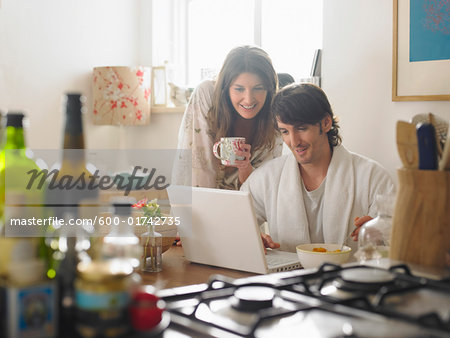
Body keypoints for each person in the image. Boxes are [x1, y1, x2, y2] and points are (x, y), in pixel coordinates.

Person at [241, 83, 394, 253]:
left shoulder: (373, 177)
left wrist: (380, 233)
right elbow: (236, 223)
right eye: (285, 131)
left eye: (302, 128)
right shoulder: (266, 178)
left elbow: (399, 238)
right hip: (287, 278)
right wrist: (252, 238)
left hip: (349, 277)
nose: (294, 141)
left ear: (326, 123)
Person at [172, 45, 283, 189]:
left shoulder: (275, 113)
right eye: (239, 89)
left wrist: (246, 169)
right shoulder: (207, 95)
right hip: (203, 197)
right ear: (226, 88)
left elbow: (265, 187)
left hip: (247, 200)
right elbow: (198, 168)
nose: (248, 99)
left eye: (258, 88)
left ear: (269, 89)